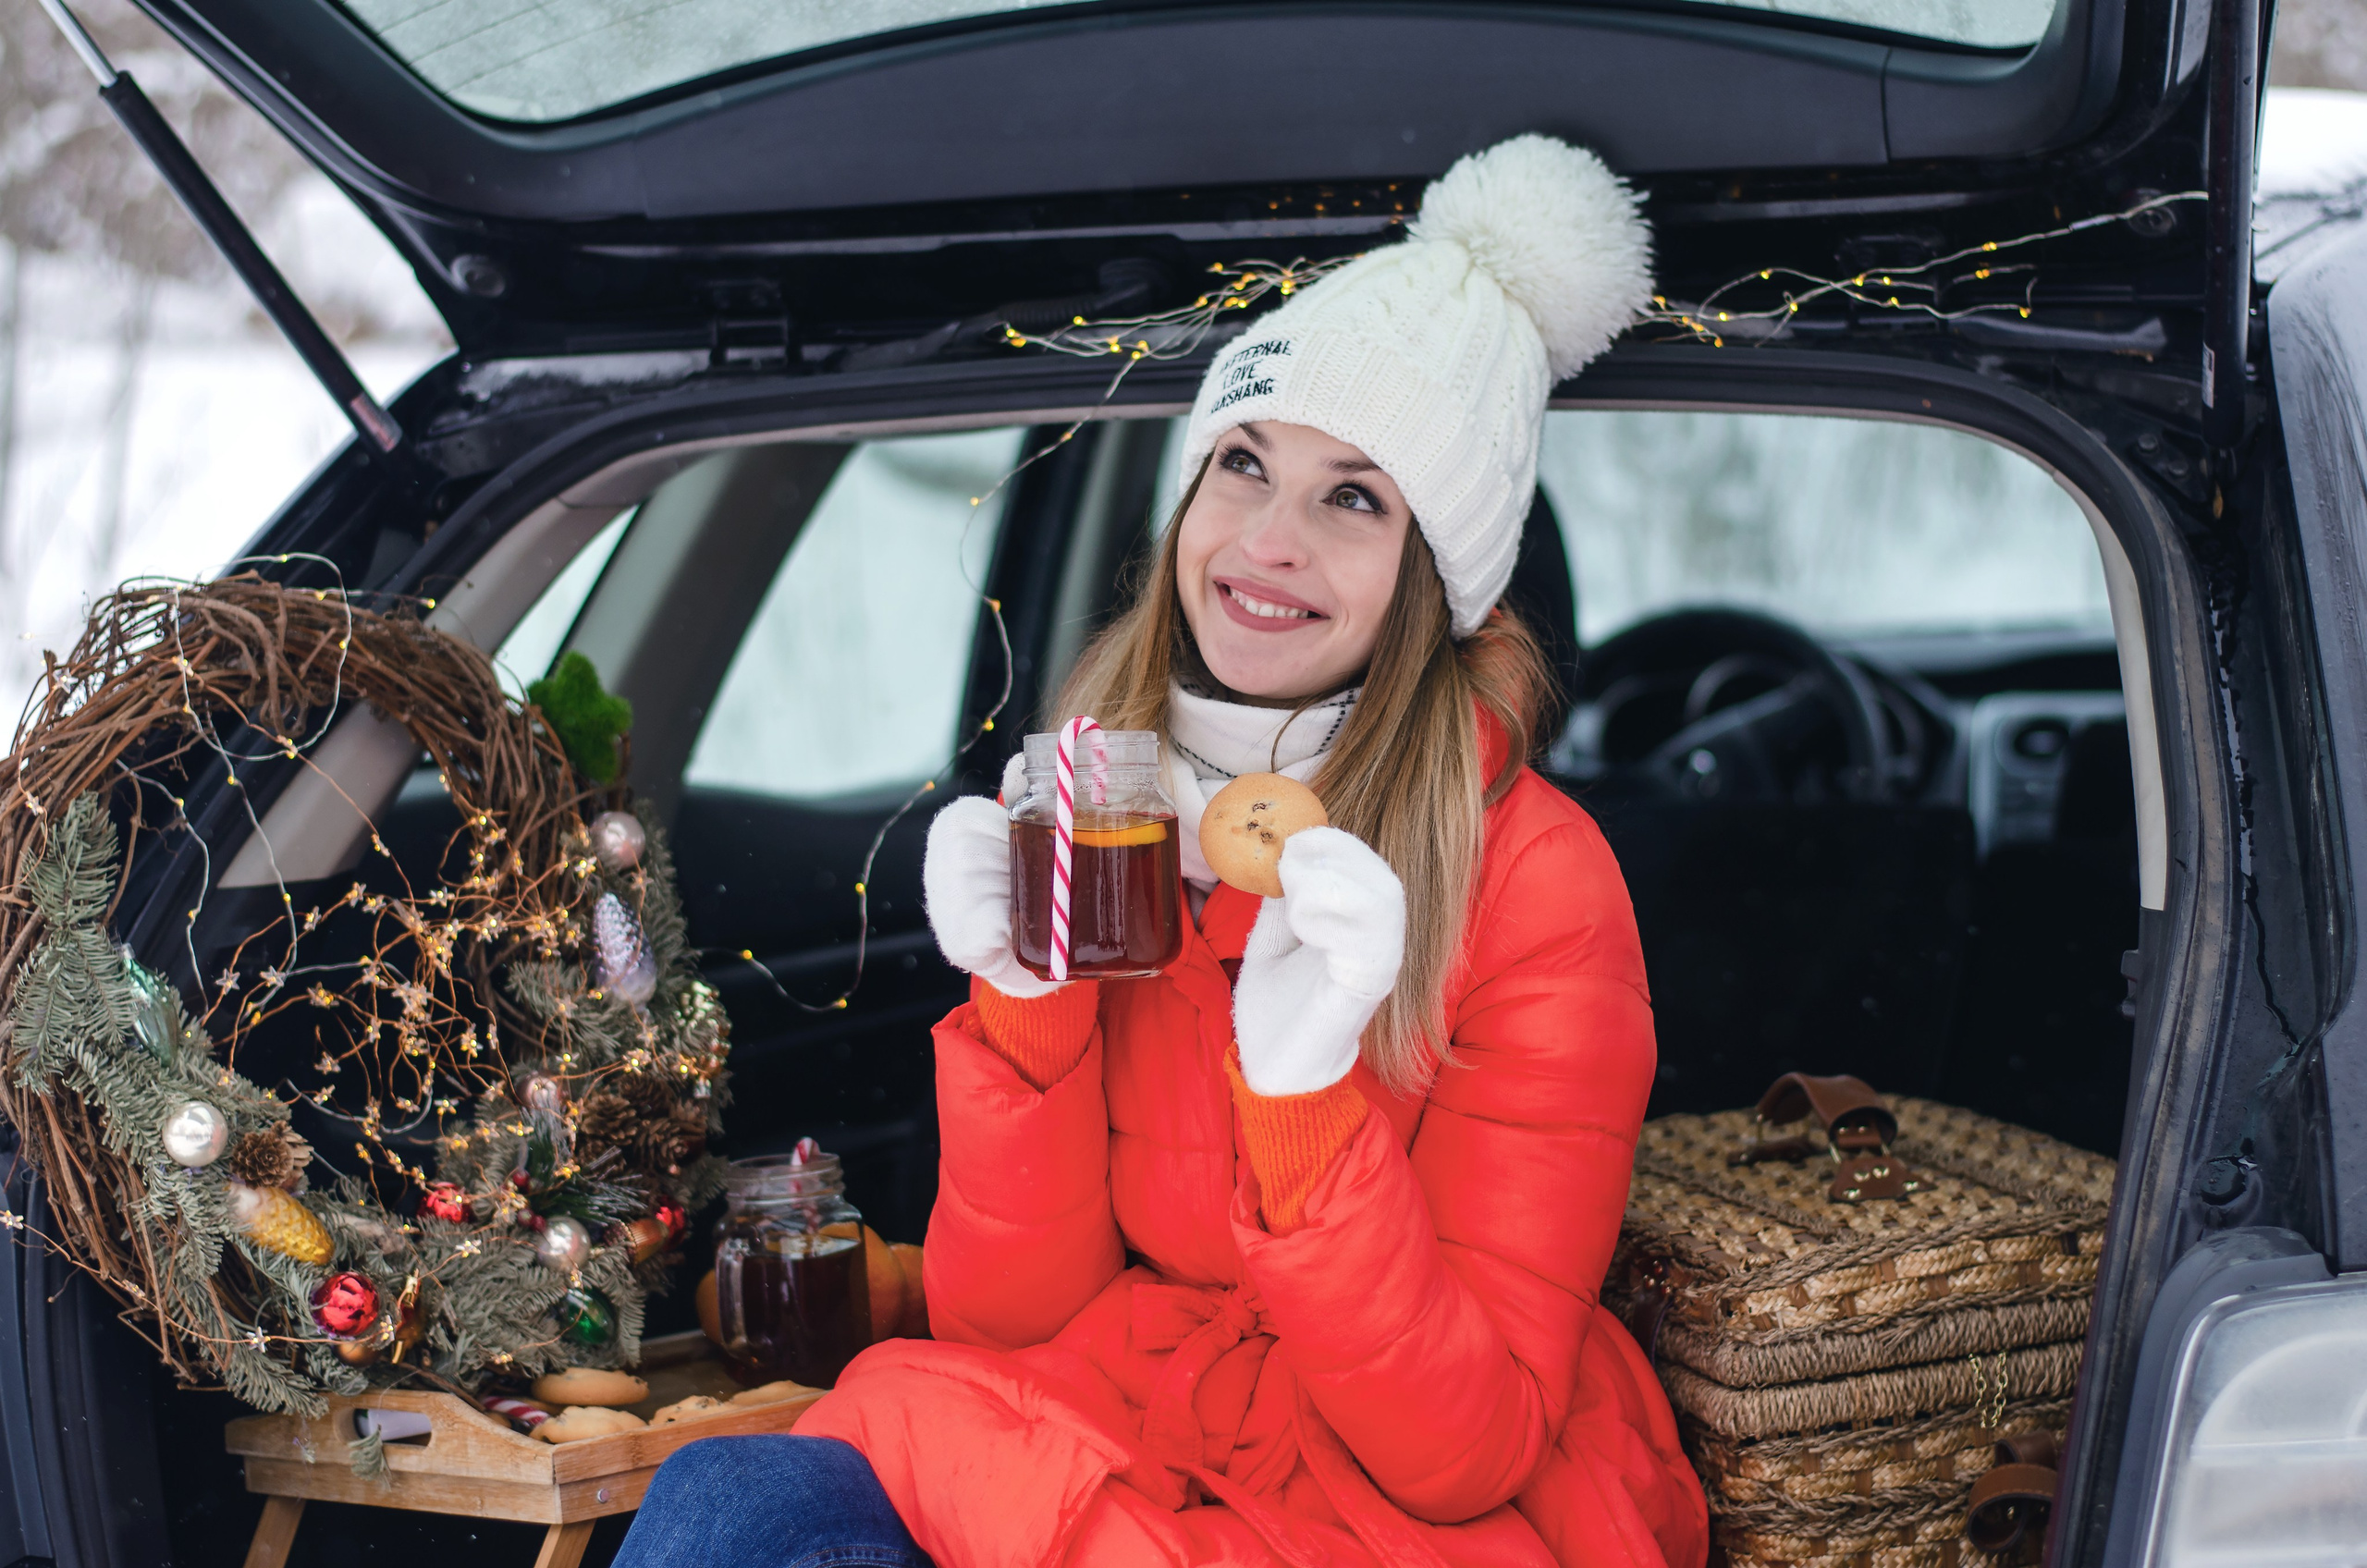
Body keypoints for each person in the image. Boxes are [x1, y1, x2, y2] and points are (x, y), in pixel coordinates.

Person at [616, 134, 1708, 1568]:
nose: (1268, 540)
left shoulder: (1536, 880)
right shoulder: (1104, 801)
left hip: (1389, 1506)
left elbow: (1466, 1452)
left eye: (1355, 497)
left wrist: (1305, 1109)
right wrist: (1025, 1008)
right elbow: (1010, 1324)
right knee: (725, 1504)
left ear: (1436, 573)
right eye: (1243, 464)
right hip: (1132, 1412)